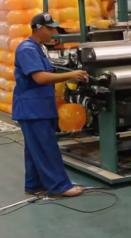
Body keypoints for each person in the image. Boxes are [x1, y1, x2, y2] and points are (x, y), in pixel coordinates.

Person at [12, 13, 87, 198]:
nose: (54, 32)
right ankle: (59, 186)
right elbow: (40, 77)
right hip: (33, 109)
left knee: (34, 149)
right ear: (38, 28)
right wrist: (71, 75)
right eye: (50, 28)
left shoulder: (39, 48)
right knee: (46, 148)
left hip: (38, 106)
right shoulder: (27, 49)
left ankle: (34, 185)